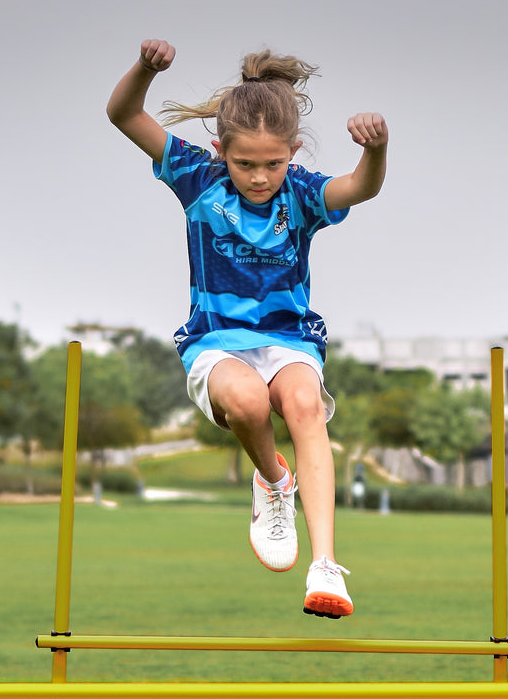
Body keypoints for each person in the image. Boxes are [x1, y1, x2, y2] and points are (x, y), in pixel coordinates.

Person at [107, 39, 388, 618]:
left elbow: (361, 188)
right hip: (217, 341)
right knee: (249, 403)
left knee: (305, 406)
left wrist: (376, 151)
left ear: (294, 152)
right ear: (219, 151)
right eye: (245, 164)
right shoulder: (196, 178)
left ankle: (326, 565)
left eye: (273, 164)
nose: (260, 177)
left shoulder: (304, 194)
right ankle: (273, 480)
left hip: (289, 339)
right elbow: (123, 115)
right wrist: (145, 70)